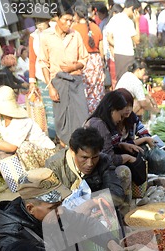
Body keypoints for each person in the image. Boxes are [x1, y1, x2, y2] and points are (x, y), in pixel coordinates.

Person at [39, 1, 89, 146]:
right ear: (56, 18)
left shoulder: (76, 35)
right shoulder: (46, 36)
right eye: (66, 20)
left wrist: (74, 66)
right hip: (58, 83)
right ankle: (65, 150)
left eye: (71, 20)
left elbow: (84, 58)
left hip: (75, 81)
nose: (69, 24)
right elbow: (43, 63)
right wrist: (50, 87)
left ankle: (80, 148)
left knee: (81, 117)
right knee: (62, 120)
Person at [85, 90, 147, 200]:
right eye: (120, 114)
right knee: (124, 170)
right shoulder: (99, 125)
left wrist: (121, 145)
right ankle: (122, 208)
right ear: (112, 110)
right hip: (94, 172)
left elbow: (106, 147)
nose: (120, 119)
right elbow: (110, 159)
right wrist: (128, 158)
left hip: (98, 166)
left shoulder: (99, 122)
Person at [46, 127, 126, 208]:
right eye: (84, 158)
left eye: (95, 157)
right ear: (72, 152)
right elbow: (49, 203)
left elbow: (117, 194)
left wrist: (93, 203)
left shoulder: (104, 161)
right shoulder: (54, 166)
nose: (90, 164)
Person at [0, 86, 56, 169]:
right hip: (27, 155)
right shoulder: (1, 122)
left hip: (47, 154)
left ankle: (34, 177)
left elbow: (12, 147)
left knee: (24, 147)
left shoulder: (21, 121)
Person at [72, 3, 105, 114]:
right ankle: (97, 113)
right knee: (96, 91)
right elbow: (102, 50)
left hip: (84, 61)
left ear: (76, 15)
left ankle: (87, 116)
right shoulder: (95, 27)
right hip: (96, 61)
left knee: (85, 91)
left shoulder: (74, 29)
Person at [29, 15, 55, 139]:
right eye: (36, 21)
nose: (38, 23)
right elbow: (32, 60)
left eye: (41, 20)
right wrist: (32, 81)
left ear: (47, 21)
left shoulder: (54, 32)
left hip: (56, 74)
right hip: (41, 76)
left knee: (58, 106)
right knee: (48, 108)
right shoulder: (33, 37)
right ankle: (52, 135)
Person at [106, 0, 141, 82]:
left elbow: (109, 38)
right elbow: (137, 40)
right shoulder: (128, 21)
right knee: (128, 81)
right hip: (127, 55)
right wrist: (137, 22)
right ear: (133, 9)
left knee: (120, 80)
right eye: (137, 12)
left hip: (118, 54)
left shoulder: (115, 18)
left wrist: (118, 45)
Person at [102, 3, 124, 89]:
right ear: (114, 13)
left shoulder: (114, 24)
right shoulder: (109, 26)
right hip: (112, 56)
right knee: (115, 79)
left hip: (115, 55)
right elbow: (108, 42)